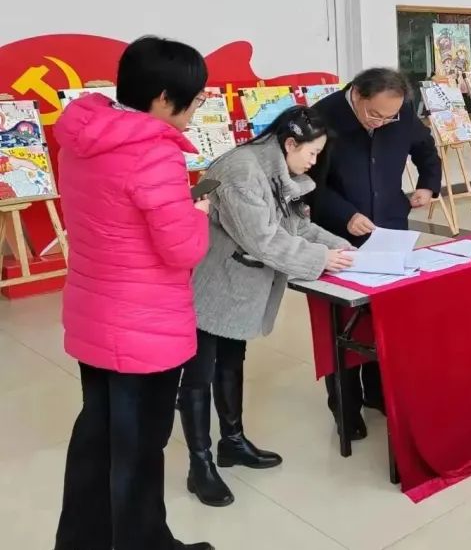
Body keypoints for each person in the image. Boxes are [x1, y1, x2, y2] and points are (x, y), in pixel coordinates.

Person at [53, 36, 214, 550]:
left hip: (94, 313)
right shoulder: (152, 153)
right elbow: (182, 249)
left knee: (97, 442)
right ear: (164, 98)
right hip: (145, 326)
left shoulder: (82, 138)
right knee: (140, 449)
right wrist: (198, 215)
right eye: (194, 99)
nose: (195, 110)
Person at [177, 106, 354, 507]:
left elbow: (296, 226)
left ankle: (232, 442)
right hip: (211, 284)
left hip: (239, 287)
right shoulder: (242, 172)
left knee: (230, 362)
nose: (314, 162)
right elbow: (262, 239)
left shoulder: (276, 171)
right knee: (198, 376)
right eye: (312, 153)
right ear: (290, 143)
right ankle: (199, 465)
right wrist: (320, 259)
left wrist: (341, 249)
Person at [309, 68, 441, 438]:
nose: (381, 123)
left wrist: (428, 185)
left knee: (383, 315)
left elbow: (425, 149)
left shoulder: (400, 111)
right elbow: (307, 182)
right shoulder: (322, 116)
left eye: (389, 118)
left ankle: (378, 393)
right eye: (374, 115)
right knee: (340, 322)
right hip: (338, 236)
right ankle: (345, 407)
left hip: (390, 229)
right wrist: (344, 215)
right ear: (357, 94)